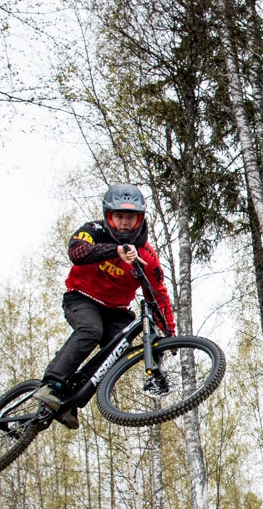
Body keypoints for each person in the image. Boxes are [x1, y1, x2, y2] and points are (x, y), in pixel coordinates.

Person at [34, 184, 176, 429]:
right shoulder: (94, 230)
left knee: (117, 349)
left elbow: (158, 295)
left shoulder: (147, 256)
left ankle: (72, 401)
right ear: (109, 216)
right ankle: (52, 384)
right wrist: (116, 250)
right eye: (118, 216)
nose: (123, 223)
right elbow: (76, 251)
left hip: (116, 310)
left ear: (139, 219)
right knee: (91, 330)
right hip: (81, 298)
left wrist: (170, 333)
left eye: (130, 218)